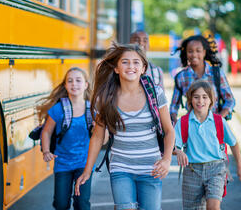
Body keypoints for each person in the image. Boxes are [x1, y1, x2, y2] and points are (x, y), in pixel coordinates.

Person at [74, 43, 175, 210]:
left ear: (143, 68)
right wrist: (87, 170)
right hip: (121, 168)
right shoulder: (106, 97)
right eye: (125, 62)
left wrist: (166, 160)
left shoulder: (155, 94)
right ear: (116, 68)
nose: (131, 66)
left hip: (151, 168)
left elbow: (169, 131)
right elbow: (98, 136)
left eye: (136, 62)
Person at [174, 79, 241, 210]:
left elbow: (234, 144)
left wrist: (240, 167)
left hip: (216, 169)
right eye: (196, 97)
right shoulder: (183, 122)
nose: (200, 101)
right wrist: (178, 151)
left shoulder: (219, 121)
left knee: (213, 207)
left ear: (211, 100)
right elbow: (174, 146)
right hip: (192, 171)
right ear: (190, 100)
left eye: (204, 97)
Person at [40, 67, 93, 210]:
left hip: (84, 164)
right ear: (65, 85)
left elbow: (103, 139)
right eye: (70, 81)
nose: (74, 84)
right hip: (62, 164)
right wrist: (46, 151)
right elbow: (46, 132)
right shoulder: (58, 109)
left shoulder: (93, 110)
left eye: (78, 80)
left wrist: (101, 126)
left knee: (81, 204)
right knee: (61, 204)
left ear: (86, 84)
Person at [170, 35, 235, 124]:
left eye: (198, 51)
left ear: (204, 52)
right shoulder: (181, 77)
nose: (194, 54)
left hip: (215, 127)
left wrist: (218, 119)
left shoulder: (217, 73)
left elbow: (230, 100)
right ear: (186, 53)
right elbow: (174, 107)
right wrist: (176, 123)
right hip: (192, 129)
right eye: (190, 51)